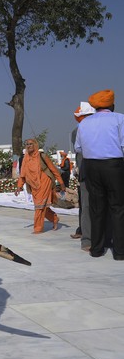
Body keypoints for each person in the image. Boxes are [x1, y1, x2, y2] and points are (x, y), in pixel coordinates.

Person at [75, 89, 124, 260]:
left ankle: (96, 249)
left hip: (91, 167)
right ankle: (119, 252)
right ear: (112, 105)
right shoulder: (119, 119)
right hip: (114, 165)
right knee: (117, 208)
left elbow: (78, 148)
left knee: (97, 208)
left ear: (95, 106)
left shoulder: (84, 124)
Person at [14, 139, 66, 234]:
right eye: (27, 144)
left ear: (35, 145)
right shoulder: (25, 159)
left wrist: (61, 183)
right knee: (43, 206)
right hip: (34, 185)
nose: (29, 146)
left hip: (45, 182)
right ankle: (54, 218)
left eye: (31, 144)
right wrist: (19, 186)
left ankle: (38, 228)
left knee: (39, 206)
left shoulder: (42, 156)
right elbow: (23, 174)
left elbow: (53, 170)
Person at [69, 103, 95, 250]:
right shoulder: (78, 131)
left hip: (88, 171)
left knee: (87, 205)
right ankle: (88, 237)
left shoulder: (78, 130)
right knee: (88, 205)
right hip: (92, 171)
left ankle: (89, 239)